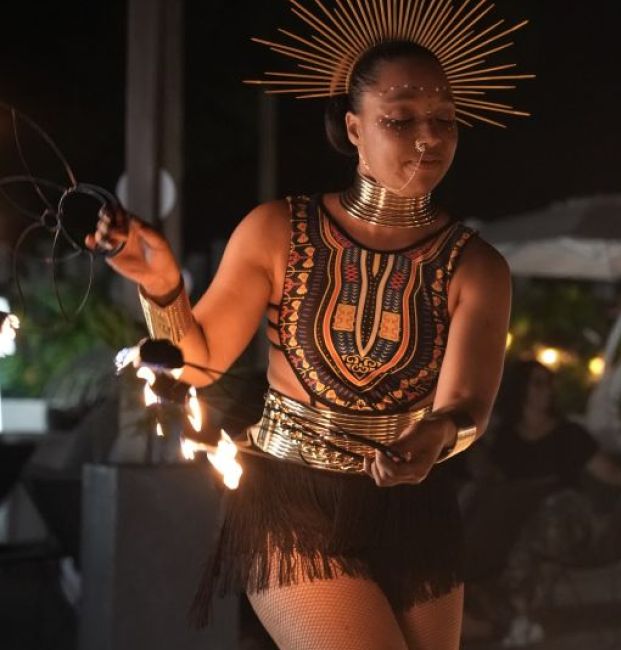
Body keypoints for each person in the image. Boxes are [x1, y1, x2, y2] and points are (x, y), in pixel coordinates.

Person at [85, 3, 531, 648]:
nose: (427, 138)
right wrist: (161, 284)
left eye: (443, 120)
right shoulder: (277, 231)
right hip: (292, 501)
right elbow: (199, 365)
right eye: (400, 120)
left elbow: (467, 405)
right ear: (354, 128)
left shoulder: (477, 266)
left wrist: (437, 434)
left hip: (415, 509)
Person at [462, 359, 621, 646]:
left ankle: (510, 615)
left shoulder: (569, 434)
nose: (547, 390)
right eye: (538, 383)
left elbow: (610, 473)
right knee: (490, 505)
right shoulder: (506, 438)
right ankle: (490, 608)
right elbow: (491, 481)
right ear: (522, 389)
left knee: (543, 509)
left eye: (549, 383)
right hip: (513, 522)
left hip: (562, 521)